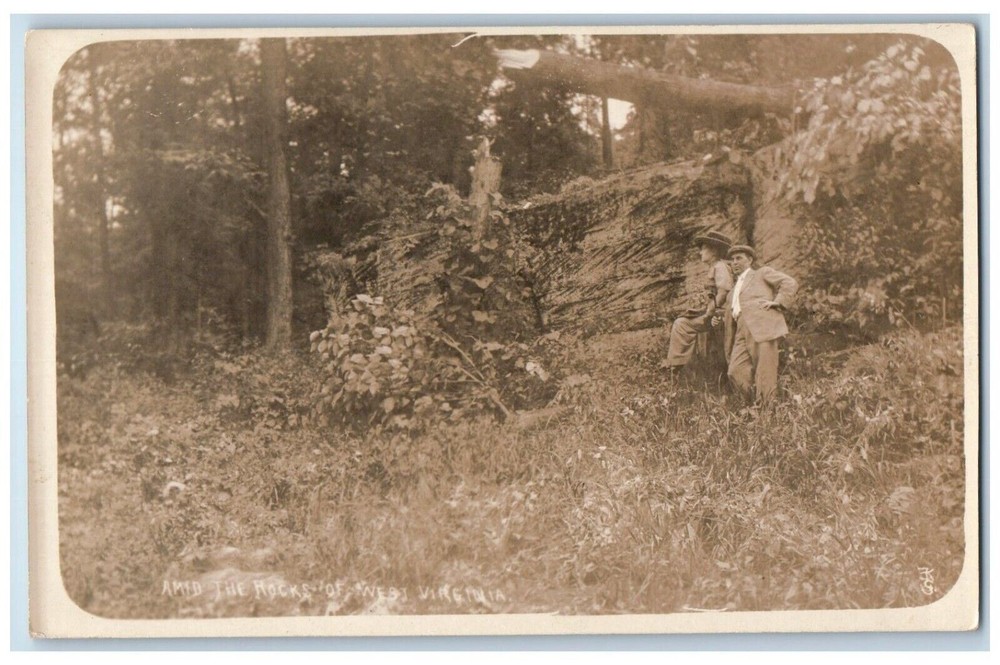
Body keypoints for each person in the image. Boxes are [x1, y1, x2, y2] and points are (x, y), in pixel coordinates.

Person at [726, 244, 798, 405]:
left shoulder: (761, 273)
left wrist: (778, 302)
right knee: (735, 370)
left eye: (739, 258)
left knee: (765, 371)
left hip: (762, 324)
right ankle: (750, 406)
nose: (734, 262)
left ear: (750, 260)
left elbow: (789, 282)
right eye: (732, 259)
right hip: (741, 329)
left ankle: (766, 413)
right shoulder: (733, 290)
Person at [665, 230, 734, 373]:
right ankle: (681, 364)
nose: (700, 252)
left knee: (681, 325)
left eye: (703, 248)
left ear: (714, 250)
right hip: (716, 312)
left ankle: (676, 366)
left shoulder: (720, 267)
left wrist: (710, 310)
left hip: (720, 314)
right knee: (683, 321)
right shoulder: (715, 267)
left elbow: (724, 292)